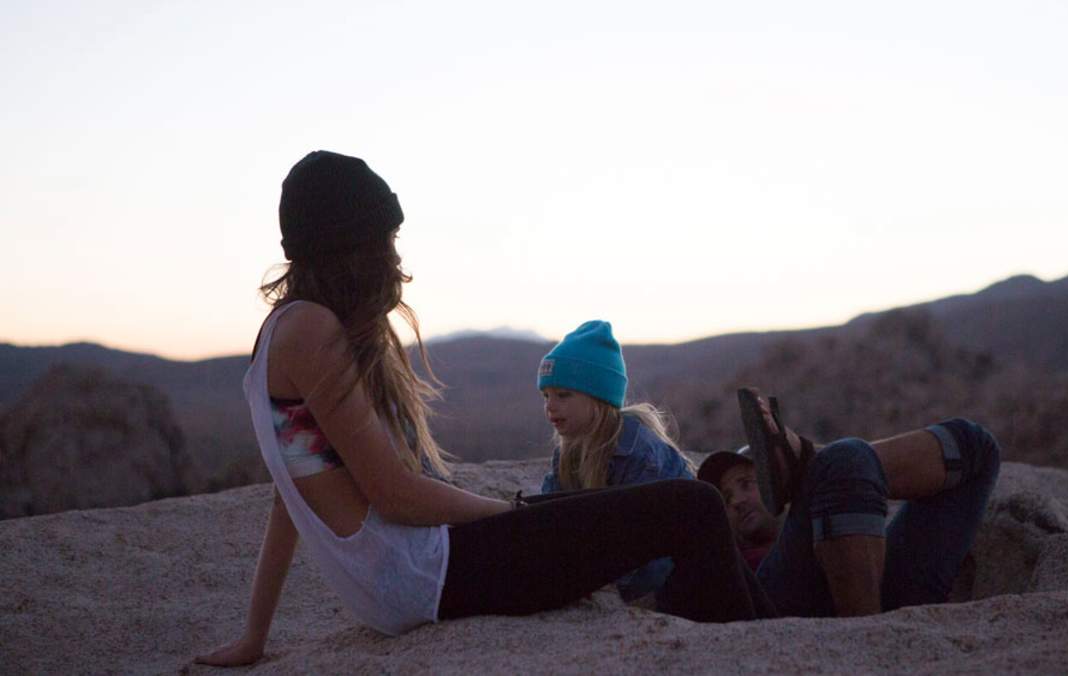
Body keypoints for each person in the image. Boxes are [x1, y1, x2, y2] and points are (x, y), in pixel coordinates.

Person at [194, 151, 765, 667]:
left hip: (406, 585)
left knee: (645, 510)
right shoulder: (314, 329)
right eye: (384, 240)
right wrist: (508, 513)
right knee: (692, 505)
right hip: (434, 574)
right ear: (349, 247)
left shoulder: (278, 333)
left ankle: (759, 623)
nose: (395, 257)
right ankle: (757, 647)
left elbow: (287, 492)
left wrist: (255, 638)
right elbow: (394, 493)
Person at [697, 389, 1000, 617]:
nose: (736, 500)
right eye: (724, 499)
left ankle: (810, 460)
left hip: (876, 582)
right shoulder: (734, 563)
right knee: (843, 459)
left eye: (746, 484)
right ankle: (808, 458)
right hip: (780, 598)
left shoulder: (828, 512)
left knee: (976, 445)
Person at [537, 320, 695, 604]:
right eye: (546, 395)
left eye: (563, 394)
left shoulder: (640, 453)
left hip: (676, 577)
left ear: (598, 397)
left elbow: (653, 547)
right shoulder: (568, 450)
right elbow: (548, 514)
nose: (550, 405)